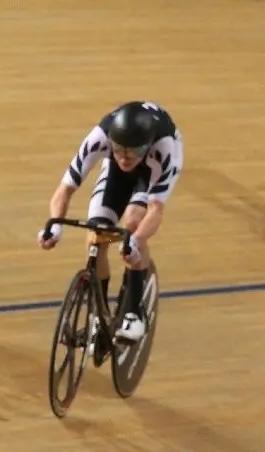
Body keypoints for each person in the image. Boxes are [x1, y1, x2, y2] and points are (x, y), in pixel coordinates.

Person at [38, 100, 183, 342]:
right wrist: (54, 225)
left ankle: (134, 313)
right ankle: (99, 316)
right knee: (96, 234)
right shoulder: (100, 137)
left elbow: (156, 210)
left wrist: (135, 241)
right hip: (116, 171)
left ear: (145, 146)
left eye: (132, 152)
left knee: (133, 224)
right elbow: (64, 190)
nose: (125, 158)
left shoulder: (164, 148)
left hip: (150, 171)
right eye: (118, 150)